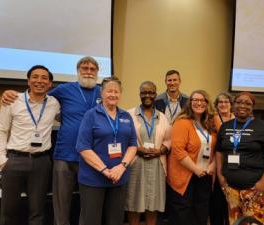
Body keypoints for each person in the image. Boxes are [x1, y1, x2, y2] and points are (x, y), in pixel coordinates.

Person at [1, 56, 101, 225]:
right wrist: (12, 94)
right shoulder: (64, 89)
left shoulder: (103, 91)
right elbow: (37, 97)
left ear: (97, 72)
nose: (88, 71)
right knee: (61, 204)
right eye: (85, 68)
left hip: (93, 156)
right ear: (78, 71)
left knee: (89, 204)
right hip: (65, 156)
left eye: (92, 69)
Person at [0, 65, 60, 225]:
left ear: (50, 84)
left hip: (42, 162)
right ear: (28, 80)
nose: (39, 81)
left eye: (44, 78)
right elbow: (1, 129)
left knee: (37, 211)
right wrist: (2, 160)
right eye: (35, 77)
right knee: (9, 211)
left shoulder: (54, 103)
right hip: (15, 160)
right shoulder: (13, 100)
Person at [76, 77, 137, 225]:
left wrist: (121, 167)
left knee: (115, 220)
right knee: (91, 220)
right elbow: (83, 147)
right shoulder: (91, 114)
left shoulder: (126, 116)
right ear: (101, 93)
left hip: (119, 179)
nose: (113, 94)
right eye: (109, 91)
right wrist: (105, 170)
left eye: (117, 91)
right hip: (93, 179)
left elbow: (133, 145)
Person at [215, 92, 264, 225]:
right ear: (233, 105)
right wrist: (219, 174)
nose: (242, 106)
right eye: (239, 102)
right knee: (234, 222)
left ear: (253, 107)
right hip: (231, 188)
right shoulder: (225, 127)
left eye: (247, 103)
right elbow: (219, 151)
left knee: (254, 223)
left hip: (255, 190)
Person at [166, 90, 217, 225]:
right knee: (182, 215)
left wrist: (213, 165)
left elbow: (220, 147)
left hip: (205, 174)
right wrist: (195, 169)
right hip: (185, 175)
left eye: (202, 100)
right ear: (190, 102)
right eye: (195, 100)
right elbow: (178, 151)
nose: (199, 103)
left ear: (207, 103)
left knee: (201, 212)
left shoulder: (211, 122)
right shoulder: (182, 122)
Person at [125, 81, 171, 225]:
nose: (147, 95)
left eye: (151, 92)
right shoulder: (128, 115)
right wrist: (138, 149)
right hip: (135, 164)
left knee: (153, 202)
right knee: (134, 201)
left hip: (157, 164)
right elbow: (123, 138)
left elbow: (169, 140)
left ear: (155, 95)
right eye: (144, 92)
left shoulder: (162, 117)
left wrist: (160, 151)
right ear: (139, 94)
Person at [210, 92, 235, 225]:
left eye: (226, 102)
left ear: (231, 104)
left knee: (231, 201)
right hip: (216, 161)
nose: (223, 104)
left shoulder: (237, 118)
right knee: (218, 200)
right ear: (216, 105)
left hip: (234, 164)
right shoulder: (212, 119)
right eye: (220, 102)